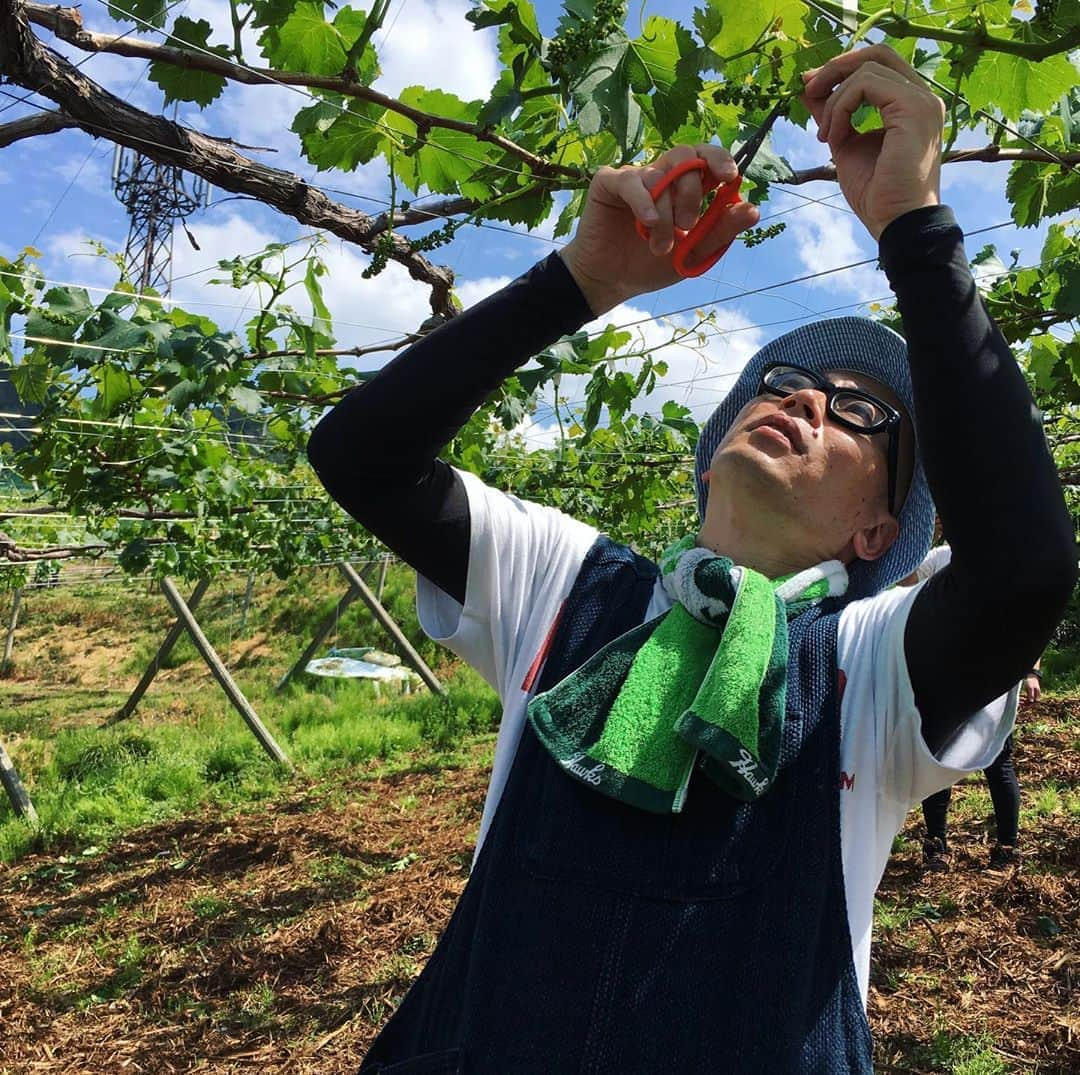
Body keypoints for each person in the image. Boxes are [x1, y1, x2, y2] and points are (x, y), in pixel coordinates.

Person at [308, 45, 1075, 1074]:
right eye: (788, 380)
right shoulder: (565, 585)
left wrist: (913, 227)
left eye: (860, 414)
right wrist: (580, 280)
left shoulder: (870, 668)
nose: (806, 397)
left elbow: (1023, 568)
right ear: (715, 455)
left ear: (876, 536)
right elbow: (360, 454)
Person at [902, 539, 1044, 871]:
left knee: (999, 761)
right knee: (939, 760)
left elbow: (1032, 623)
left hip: (994, 680)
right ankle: (936, 846)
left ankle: (1007, 847)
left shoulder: (1007, 560)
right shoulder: (940, 558)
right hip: (943, 677)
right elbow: (903, 585)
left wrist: (1032, 670)